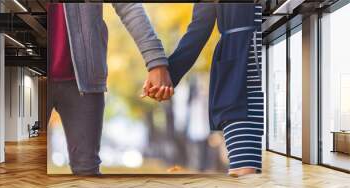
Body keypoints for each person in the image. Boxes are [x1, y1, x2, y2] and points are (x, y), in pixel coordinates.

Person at [47, 3, 174, 175]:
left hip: (84, 78)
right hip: (25, 72)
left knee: (87, 171)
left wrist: (156, 60)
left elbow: (128, 6)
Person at [143, 3, 264, 177]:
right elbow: (200, 26)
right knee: (244, 168)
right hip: (241, 70)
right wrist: (167, 76)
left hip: (289, 52)